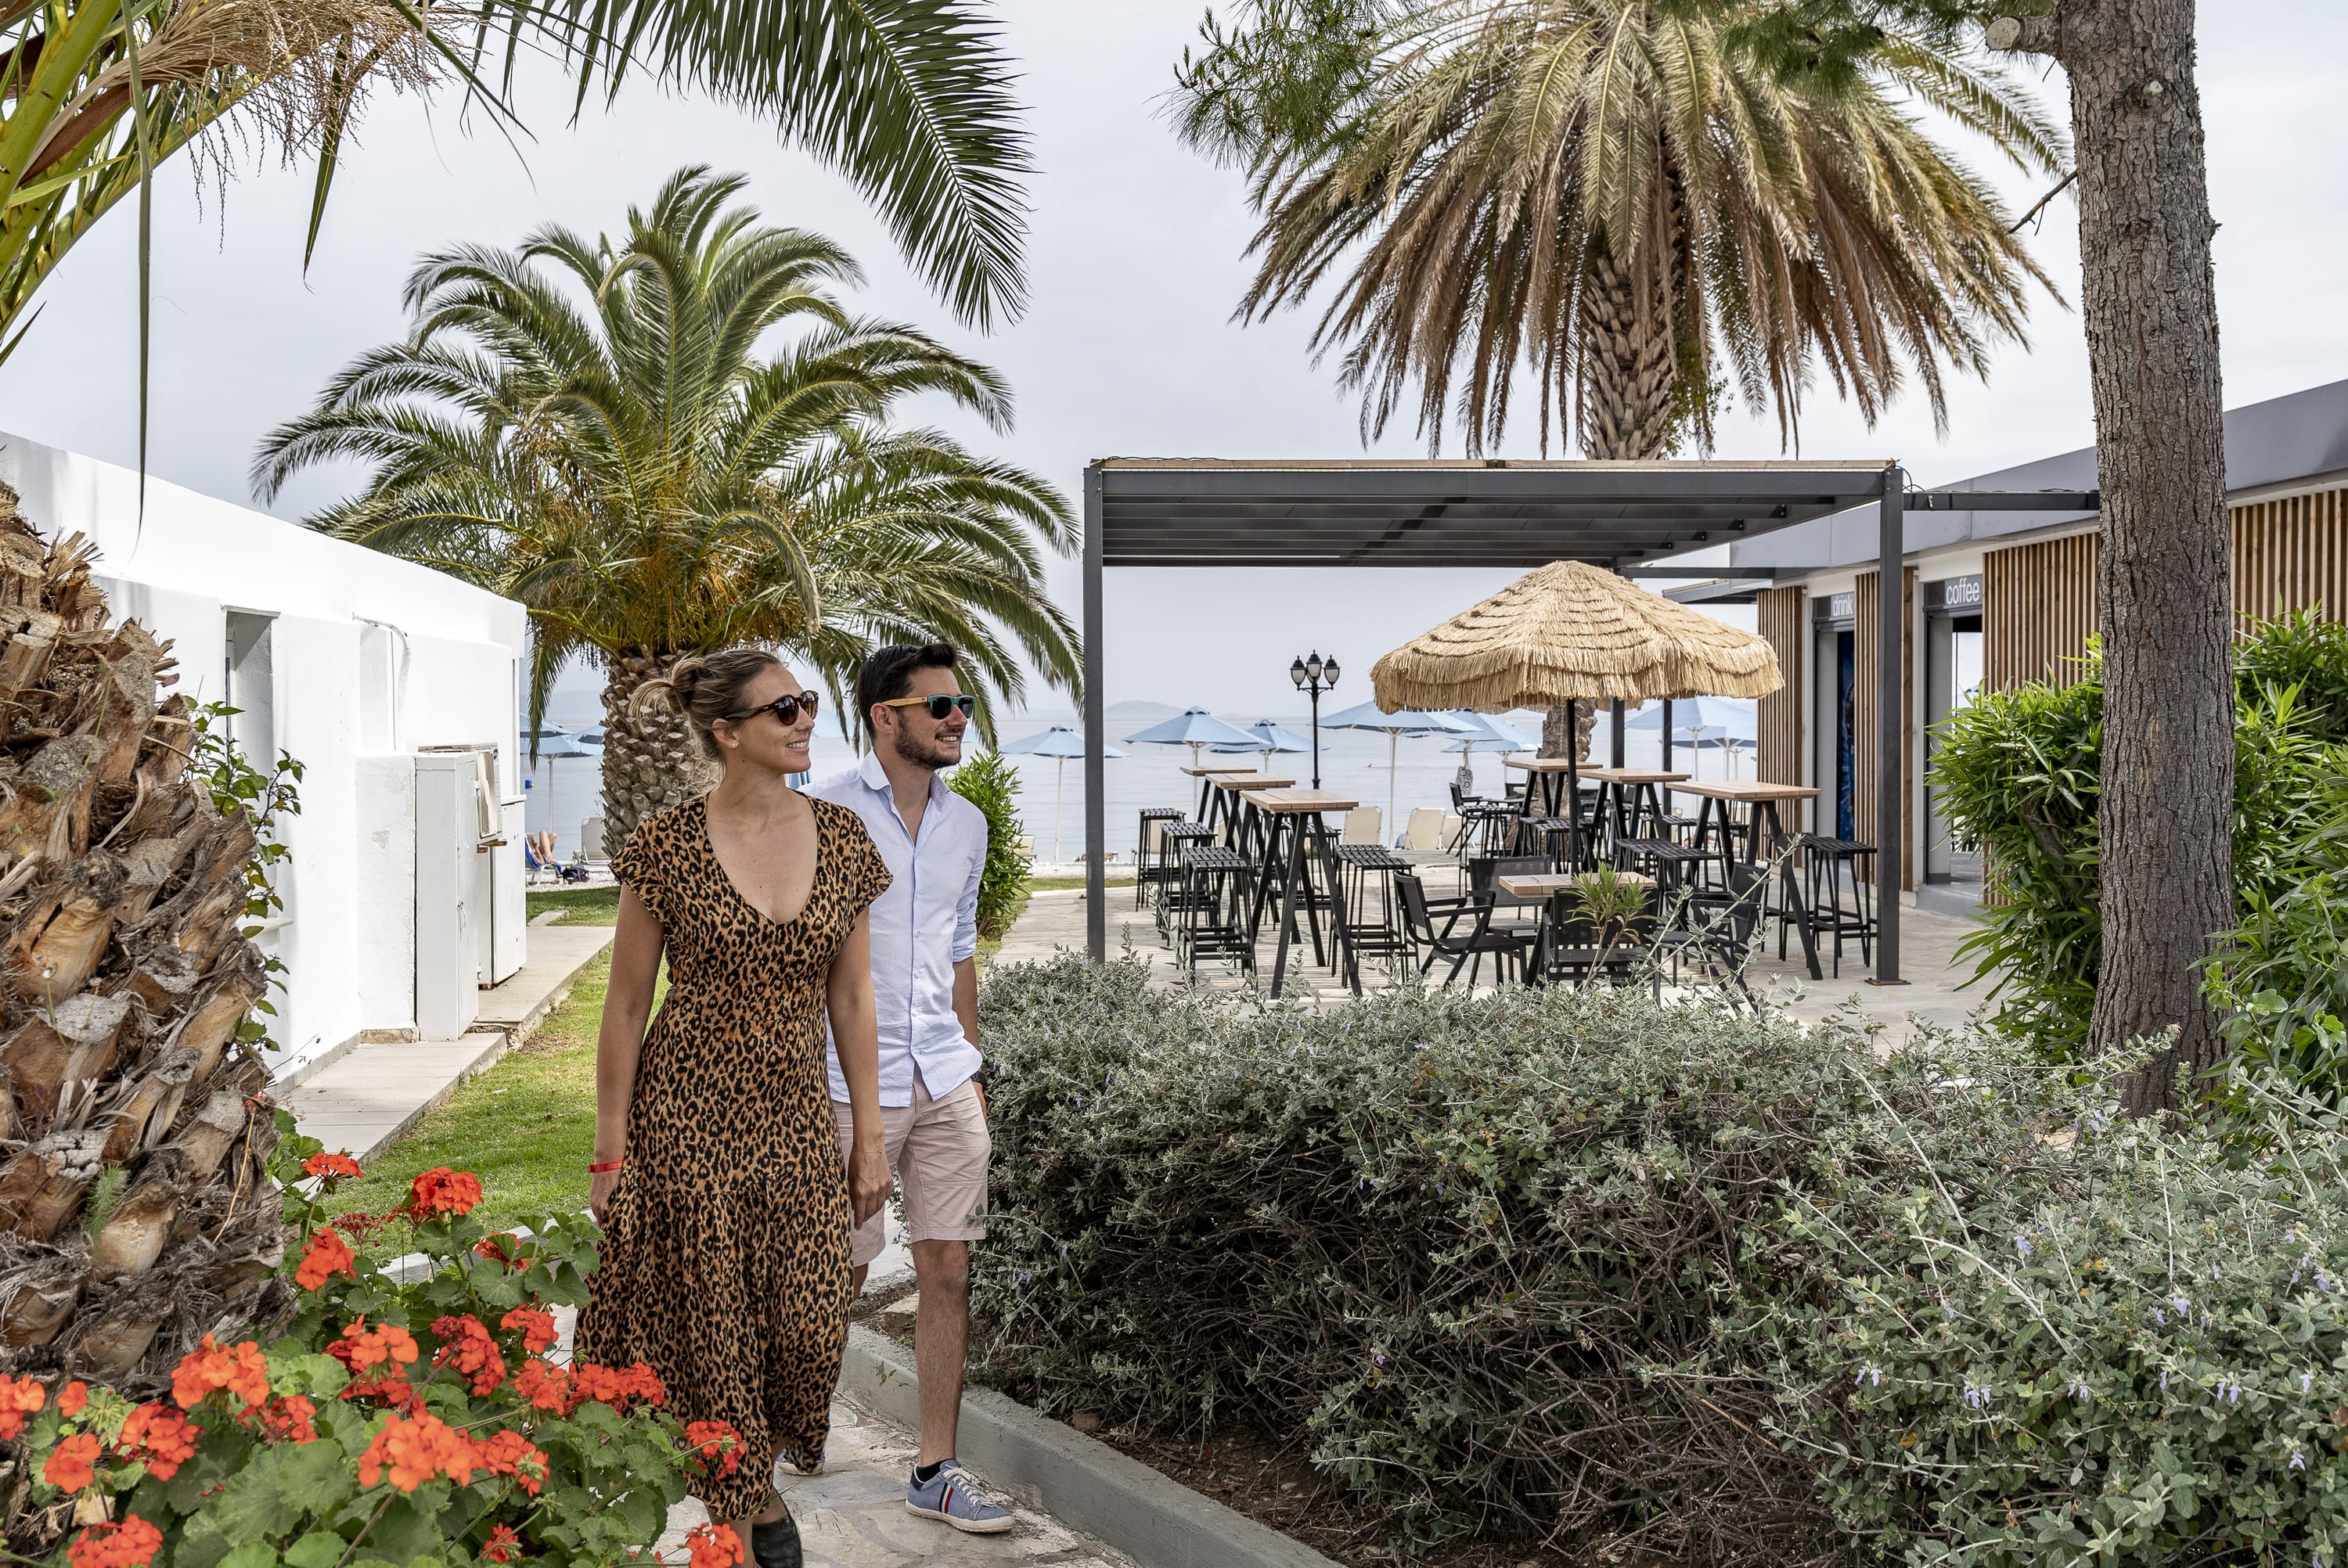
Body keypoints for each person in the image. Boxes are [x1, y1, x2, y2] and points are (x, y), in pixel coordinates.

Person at [579, 649, 894, 1568]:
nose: (805, 721)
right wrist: (610, 1151)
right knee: (712, 1326)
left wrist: (867, 1135)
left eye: (806, 706)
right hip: (685, 1118)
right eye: (784, 710)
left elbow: (853, 1001)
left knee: (805, 1323)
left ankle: (750, 1489)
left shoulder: (841, 839)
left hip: (795, 1119)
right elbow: (627, 1005)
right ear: (727, 732)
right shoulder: (665, 844)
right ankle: (748, 1512)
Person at [809, 642, 1013, 1534]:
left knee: (950, 1266)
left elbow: (961, 949)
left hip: (945, 1075)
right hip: (850, 1081)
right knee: (839, 1264)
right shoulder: (820, 813)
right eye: (940, 707)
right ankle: (799, 1414)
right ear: (885, 717)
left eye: (962, 704)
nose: (958, 718)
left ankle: (934, 1467)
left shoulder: (966, 824)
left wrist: (969, 1060)